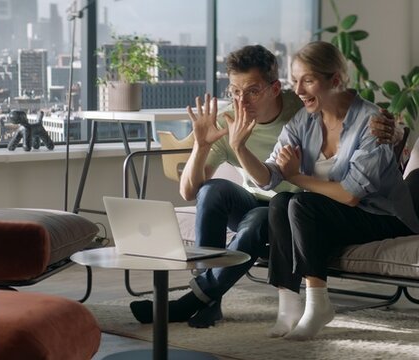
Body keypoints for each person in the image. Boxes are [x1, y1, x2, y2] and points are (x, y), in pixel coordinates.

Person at [129, 45, 401, 328]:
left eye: (252, 91)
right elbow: (190, 191)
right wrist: (202, 145)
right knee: (212, 191)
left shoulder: (304, 106)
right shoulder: (234, 120)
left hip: (295, 209)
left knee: (267, 213)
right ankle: (211, 300)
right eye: (234, 91)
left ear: (274, 88)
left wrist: (394, 128)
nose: (241, 101)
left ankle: (194, 301)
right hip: (262, 200)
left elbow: (351, 110)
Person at [233, 41, 419, 340]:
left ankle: (318, 304)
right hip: (334, 215)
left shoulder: (371, 123)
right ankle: (289, 306)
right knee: (281, 201)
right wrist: (239, 147)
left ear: (335, 80)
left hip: (383, 217)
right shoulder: (304, 122)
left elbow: (350, 195)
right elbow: (269, 177)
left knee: (300, 203)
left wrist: (297, 176)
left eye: (307, 80)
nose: (298, 91)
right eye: (294, 81)